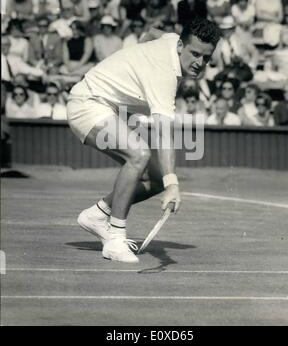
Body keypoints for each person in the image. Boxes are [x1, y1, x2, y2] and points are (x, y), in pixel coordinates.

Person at [67, 17, 221, 263]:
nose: (199, 63)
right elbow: (164, 133)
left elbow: (151, 31)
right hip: (88, 104)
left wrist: (134, 58)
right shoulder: (164, 74)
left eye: (206, 57)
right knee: (139, 155)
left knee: (156, 179)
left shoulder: (172, 39)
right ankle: (115, 238)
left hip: (109, 107)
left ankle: (98, 214)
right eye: (195, 54)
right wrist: (174, 184)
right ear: (181, 46)